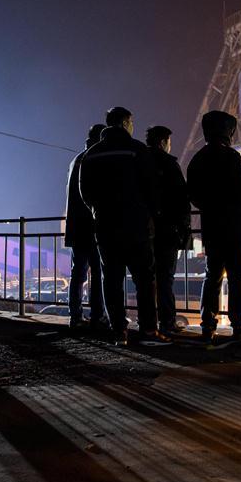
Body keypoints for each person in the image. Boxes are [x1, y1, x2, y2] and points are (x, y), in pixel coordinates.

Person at [79, 107, 165, 345]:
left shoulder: (92, 154)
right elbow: (151, 188)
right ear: (126, 123)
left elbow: (85, 192)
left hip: (106, 227)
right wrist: (149, 213)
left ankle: (119, 330)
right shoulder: (137, 150)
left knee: (112, 279)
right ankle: (148, 330)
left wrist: (98, 211)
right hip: (136, 226)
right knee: (145, 280)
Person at [187, 110, 241, 342]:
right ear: (227, 131)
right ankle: (238, 325)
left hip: (213, 228)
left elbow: (194, 195)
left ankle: (208, 324)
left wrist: (212, 206)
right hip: (236, 227)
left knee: (213, 276)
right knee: (238, 277)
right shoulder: (231, 157)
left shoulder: (198, 160)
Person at [145, 125, 191, 336]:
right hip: (167, 231)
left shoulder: (138, 161)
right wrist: (183, 231)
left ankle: (148, 324)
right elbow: (182, 200)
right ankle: (167, 322)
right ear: (163, 142)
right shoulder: (169, 164)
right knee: (165, 279)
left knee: (145, 278)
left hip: (143, 230)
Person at [64, 123, 107, 329]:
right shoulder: (95, 158)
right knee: (98, 272)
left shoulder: (76, 159)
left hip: (75, 226)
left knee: (78, 273)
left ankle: (76, 316)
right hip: (92, 225)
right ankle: (98, 315)